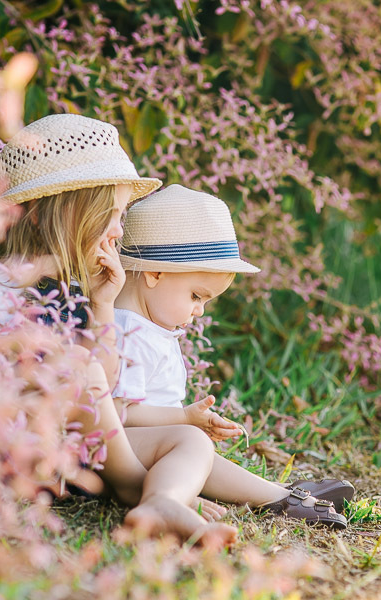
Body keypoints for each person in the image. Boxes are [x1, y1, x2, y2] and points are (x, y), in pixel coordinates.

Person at [0, 114, 237, 546]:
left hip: (68, 452)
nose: (120, 232)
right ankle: (138, 488)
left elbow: (105, 390)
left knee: (190, 440)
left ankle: (161, 496)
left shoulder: (71, 295)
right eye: (115, 214)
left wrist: (103, 306)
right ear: (67, 211)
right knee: (74, 368)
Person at [113, 185, 355, 528]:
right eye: (197, 296)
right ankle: (163, 501)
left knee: (197, 451)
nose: (199, 311)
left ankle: (278, 494)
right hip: (114, 452)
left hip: (144, 445)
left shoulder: (147, 326)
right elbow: (115, 414)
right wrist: (183, 418)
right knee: (192, 443)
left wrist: (184, 423)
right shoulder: (126, 332)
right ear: (154, 273)